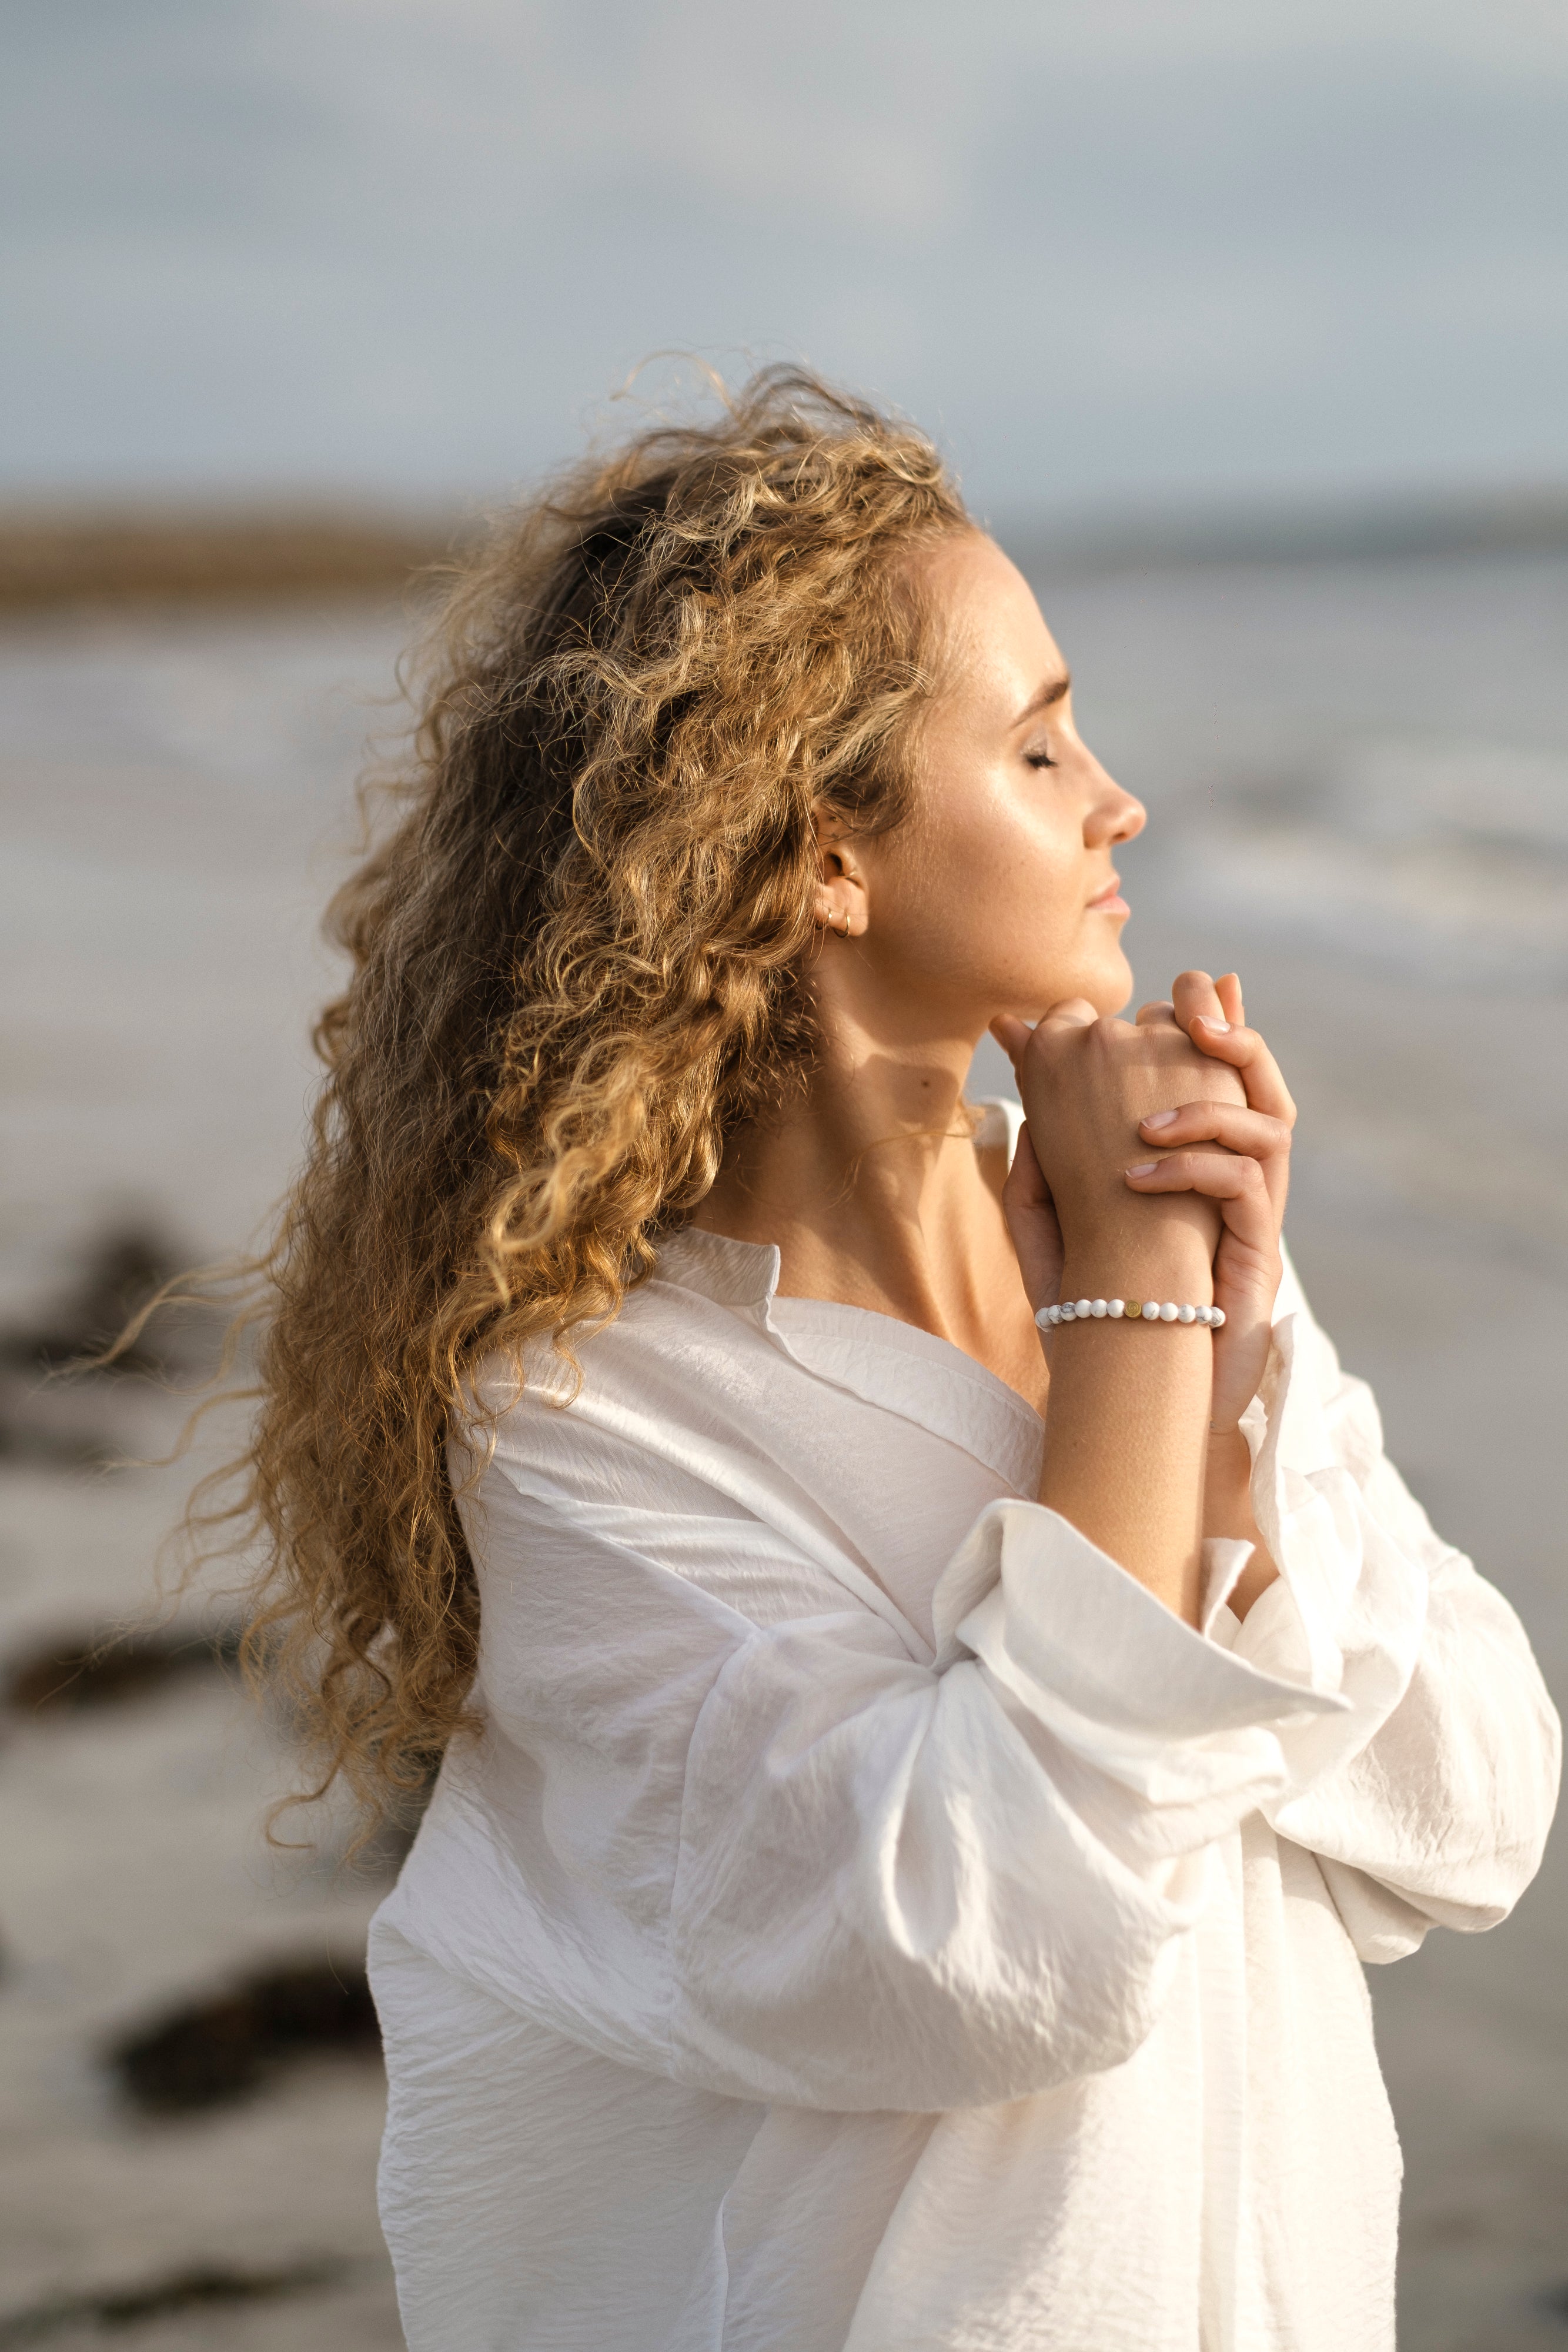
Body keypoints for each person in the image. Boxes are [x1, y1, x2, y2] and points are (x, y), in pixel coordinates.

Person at [243, 370, 1558, 2350]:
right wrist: (1134, 1321)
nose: (1119, 798)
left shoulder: (1158, 1249)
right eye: (1035, 751)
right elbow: (987, 1946)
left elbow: (1473, 1810)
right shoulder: (592, 1419)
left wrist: (1225, 1318)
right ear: (823, 855)